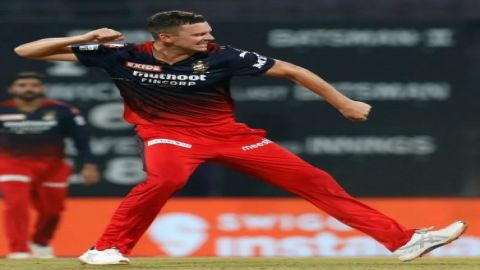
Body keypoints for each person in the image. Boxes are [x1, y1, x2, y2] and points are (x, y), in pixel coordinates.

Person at [14, 10, 467, 265]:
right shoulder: (121, 55)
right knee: (164, 181)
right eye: (199, 34)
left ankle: (404, 241)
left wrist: (343, 102)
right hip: (168, 135)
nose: (210, 38)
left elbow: (291, 69)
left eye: (209, 31)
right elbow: (26, 51)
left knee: (317, 183)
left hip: (229, 136)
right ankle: (106, 248)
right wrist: (89, 35)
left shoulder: (222, 56)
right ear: (166, 38)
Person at [0, 72, 100, 259]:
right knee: (16, 204)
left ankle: (40, 241)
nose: (28, 88)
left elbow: (81, 139)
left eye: (34, 85)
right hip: (12, 163)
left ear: (42, 88)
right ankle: (19, 250)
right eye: (22, 85)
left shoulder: (63, 110)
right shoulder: (3, 110)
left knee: (52, 211)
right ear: (12, 89)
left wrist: (89, 164)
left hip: (53, 166)